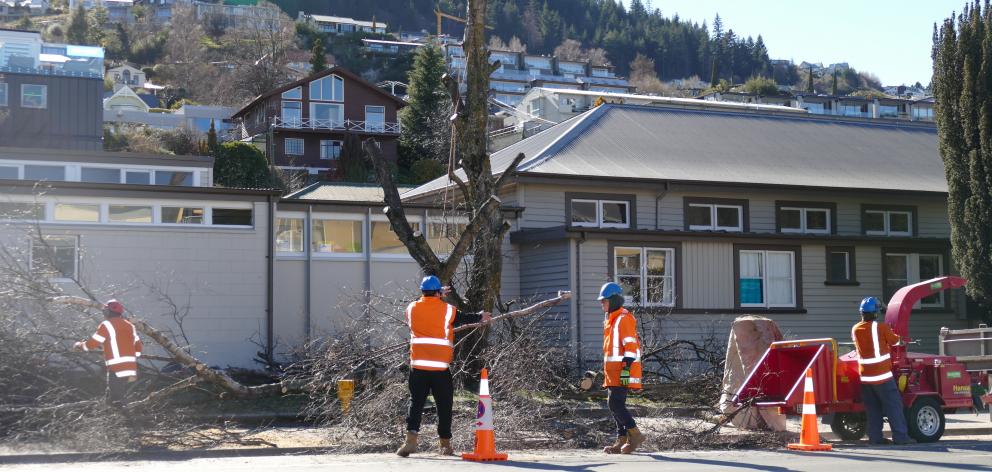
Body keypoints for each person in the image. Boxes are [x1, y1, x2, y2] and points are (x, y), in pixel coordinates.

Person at [396, 276, 492, 457]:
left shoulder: (411, 308)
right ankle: (445, 445)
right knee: (444, 406)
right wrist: (480, 316)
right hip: (440, 369)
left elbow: (422, 305)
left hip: (418, 367)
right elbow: (463, 318)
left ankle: (410, 442)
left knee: (415, 403)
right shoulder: (448, 309)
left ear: (422, 291)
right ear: (438, 292)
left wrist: (435, 293)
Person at [852, 296, 913, 445]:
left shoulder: (855, 329)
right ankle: (900, 437)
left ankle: (875, 438)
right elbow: (895, 341)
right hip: (882, 376)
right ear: (875, 313)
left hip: (865, 378)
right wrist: (902, 339)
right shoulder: (881, 328)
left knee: (873, 410)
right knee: (894, 406)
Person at [598, 282, 645, 454]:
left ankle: (635, 434)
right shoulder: (611, 320)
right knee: (614, 405)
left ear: (614, 300)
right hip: (612, 373)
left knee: (615, 404)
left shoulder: (623, 319)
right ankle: (622, 439)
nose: (601, 304)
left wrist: (626, 371)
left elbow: (631, 347)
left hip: (622, 371)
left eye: (604, 301)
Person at [73, 299, 142, 406]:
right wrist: (131, 356)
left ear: (108, 312)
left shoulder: (107, 325)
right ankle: (123, 412)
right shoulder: (130, 326)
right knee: (112, 396)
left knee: (116, 402)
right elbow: (138, 347)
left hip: (116, 368)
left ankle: (126, 418)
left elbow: (92, 344)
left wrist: (80, 346)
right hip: (131, 368)